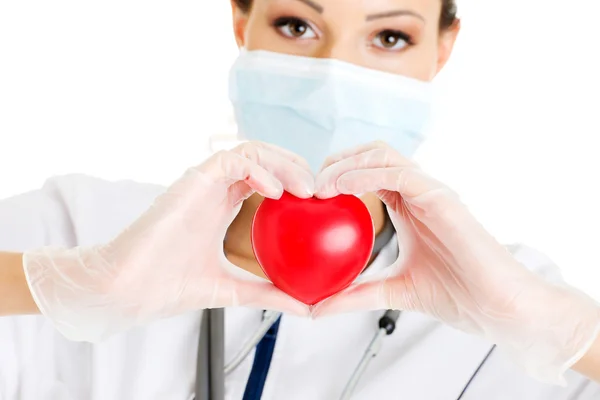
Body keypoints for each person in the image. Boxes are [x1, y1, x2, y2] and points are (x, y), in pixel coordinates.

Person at [0, 0, 599, 399]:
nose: (333, 81)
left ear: (442, 51)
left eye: (389, 37)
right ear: (242, 21)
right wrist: (54, 286)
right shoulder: (71, 230)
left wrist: (569, 330)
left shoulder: (514, 312)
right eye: (296, 25)